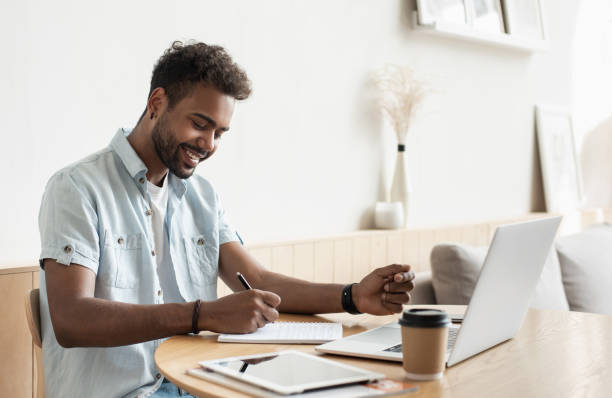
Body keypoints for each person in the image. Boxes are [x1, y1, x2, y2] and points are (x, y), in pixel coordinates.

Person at [38, 41, 415, 398]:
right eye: (200, 125)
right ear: (157, 102)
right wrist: (203, 315)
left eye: (219, 133)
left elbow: (259, 280)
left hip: (197, 383)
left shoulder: (202, 197)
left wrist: (353, 296)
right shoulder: (76, 188)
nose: (209, 144)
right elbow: (72, 319)